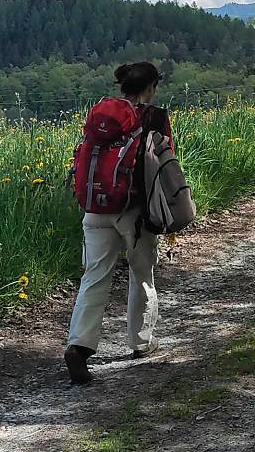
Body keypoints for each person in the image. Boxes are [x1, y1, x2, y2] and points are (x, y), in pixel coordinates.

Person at [65, 62, 172, 385]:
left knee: (94, 276)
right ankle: (141, 342)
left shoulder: (101, 114)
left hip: (95, 208)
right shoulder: (154, 117)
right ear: (151, 87)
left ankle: (79, 345)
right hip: (134, 212)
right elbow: (165, 163)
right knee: (142, 275)